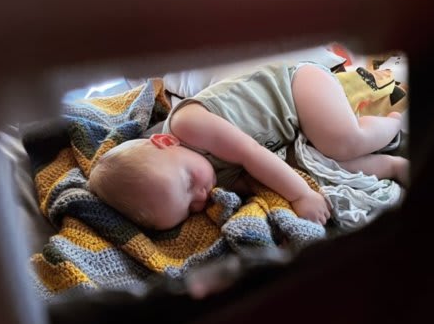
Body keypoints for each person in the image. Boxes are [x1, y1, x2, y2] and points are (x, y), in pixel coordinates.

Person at [89, 60, 408, 229]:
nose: (200, 197)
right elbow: (261, 176)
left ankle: (391, 124)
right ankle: (393, 166)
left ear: (164, 140)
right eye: (189, 209)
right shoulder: (210, 182)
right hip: (289, 134)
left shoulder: (189, 124)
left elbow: (251, 153)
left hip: (296, 89)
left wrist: (301, 195)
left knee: (341, 142)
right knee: (319, 166)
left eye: (188, 183)